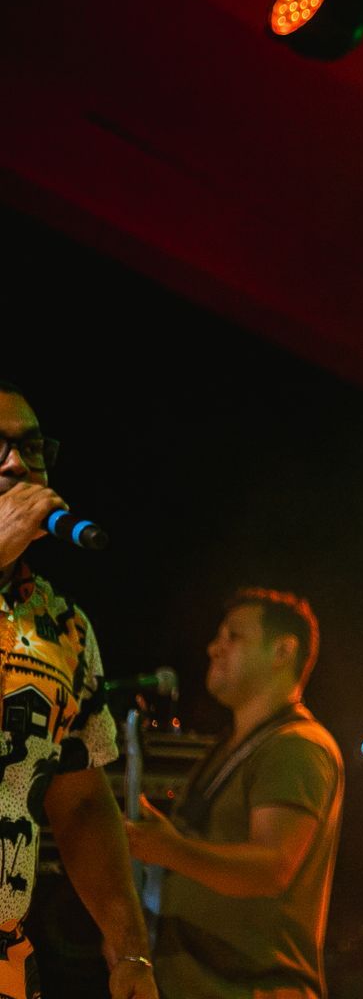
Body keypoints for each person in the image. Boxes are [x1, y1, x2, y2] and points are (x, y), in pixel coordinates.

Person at [0, 379, 158, 999]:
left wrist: (130, 953)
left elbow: (83, 803)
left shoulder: (62, 624)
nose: (16, 462)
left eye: (31, 447)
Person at [125, 588, 343, 999]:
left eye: (233, 637)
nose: (213, 648)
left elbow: (273, 867)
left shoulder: (296, 745)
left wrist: (168, 848)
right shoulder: (228, 749)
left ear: (282, 651)